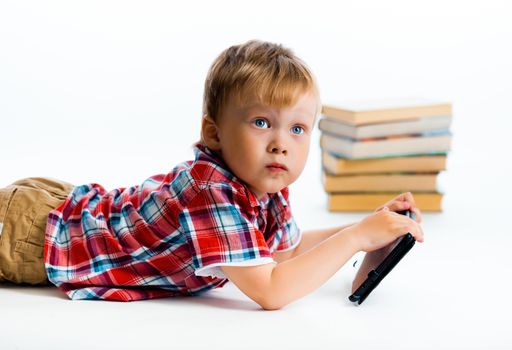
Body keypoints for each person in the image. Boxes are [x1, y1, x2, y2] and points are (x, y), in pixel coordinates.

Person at [0, 40, 423, 309]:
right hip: (35, 235)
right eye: (261, 122)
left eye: (297, 128)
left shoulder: (264, 185)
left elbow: (284, 254)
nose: (281, 143)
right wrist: (356, 237)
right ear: (213, 133)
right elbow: (271, 289)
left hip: (64, 211)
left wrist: (369, 227)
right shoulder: (211, 188)